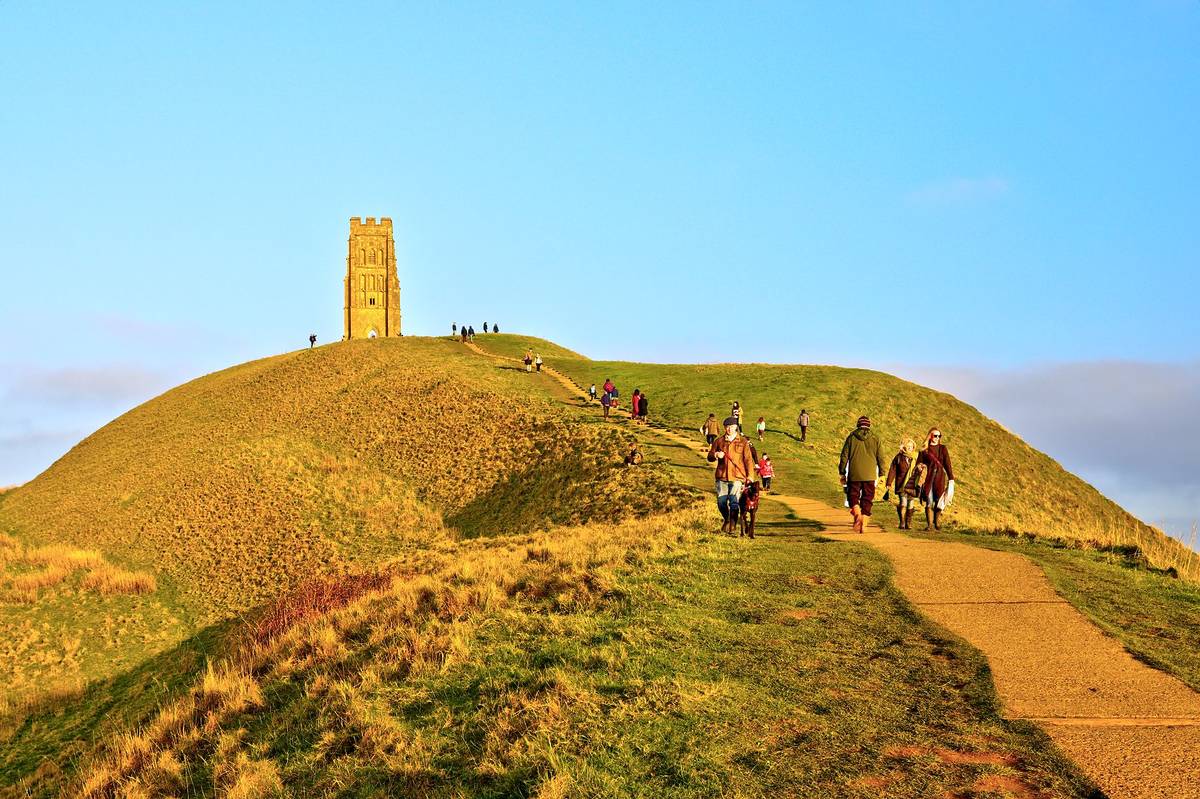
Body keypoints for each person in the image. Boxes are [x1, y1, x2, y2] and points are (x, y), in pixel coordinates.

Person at [708, 416, 757, 534]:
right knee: (721, 502)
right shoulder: (718, 441)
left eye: (731, 427)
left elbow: (748, 460)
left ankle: (733, 526)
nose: (728, 429)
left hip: (737, 478)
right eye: (726, 427)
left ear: (736, 428)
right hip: (722, 477)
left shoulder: (743, 442)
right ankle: (727, 519)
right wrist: (715, 455)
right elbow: (709, 456)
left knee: (734, 501)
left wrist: (750, 477)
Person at [838, 415, 887, 534]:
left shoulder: (851, 437)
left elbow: (844, 456)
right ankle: (864, 524)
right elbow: (881, 457)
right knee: (868, 498)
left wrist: (842, 472)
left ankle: (857, 514)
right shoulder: (876, 438)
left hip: (854, 474)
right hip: (870, 475)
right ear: (868, 425)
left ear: (858, 425)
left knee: (852, 495)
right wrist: (882, 473)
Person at [917, 427, 955, 530]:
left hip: (939, 477)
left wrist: (951, 478)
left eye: (939, 436)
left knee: (939, 500)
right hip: (928, 478)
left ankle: (937, 523)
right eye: (935, 435)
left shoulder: (943, 448)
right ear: (930, 436)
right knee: (929, 500)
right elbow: (918, 463)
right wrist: (920, 467)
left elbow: (947, 463)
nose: (937, 438)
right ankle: (929, 525)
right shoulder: (924, 450)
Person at [884, 438, 920, 530]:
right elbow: (893, 470)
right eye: (908, 447)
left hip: (912, 484)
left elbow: (922, 470)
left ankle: (908, 523)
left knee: (911, 503)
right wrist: (889, 483)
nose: (910, 448)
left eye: (911, 447)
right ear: (904, 447)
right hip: (901, 484)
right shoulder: (899, 457)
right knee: (903, 502)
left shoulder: (916, 457)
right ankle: (902, 522)